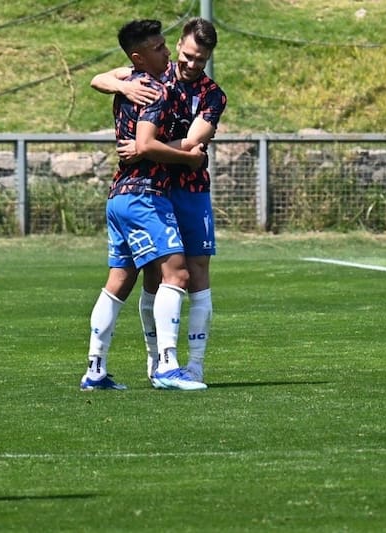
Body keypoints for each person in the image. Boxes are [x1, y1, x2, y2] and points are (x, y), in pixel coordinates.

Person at [90, 17, 227, 387]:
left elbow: (194, 143)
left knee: (193, 273)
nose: (191, 64)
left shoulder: (212, 95)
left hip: (189, 189)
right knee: (158, 275)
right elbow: (99, 79)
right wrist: (124, 89)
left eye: (201, 59)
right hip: (151, 191)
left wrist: (144, 145)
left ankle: (193, 365)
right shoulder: (154, 74)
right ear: (178, 45)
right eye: (187, 55)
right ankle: (159, 363)